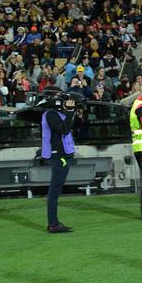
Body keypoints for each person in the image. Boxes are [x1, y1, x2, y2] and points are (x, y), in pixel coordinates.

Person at [43, 93, 80, 233]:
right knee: (54, 190)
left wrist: (74, 113)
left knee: (55, 190)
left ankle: (53, 223)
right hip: (59, 155)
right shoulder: (51, 114)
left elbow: (71, 127)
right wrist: (69, 111)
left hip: (62, 154)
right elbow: (64, 129)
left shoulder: (57, 114)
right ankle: (53, 224)